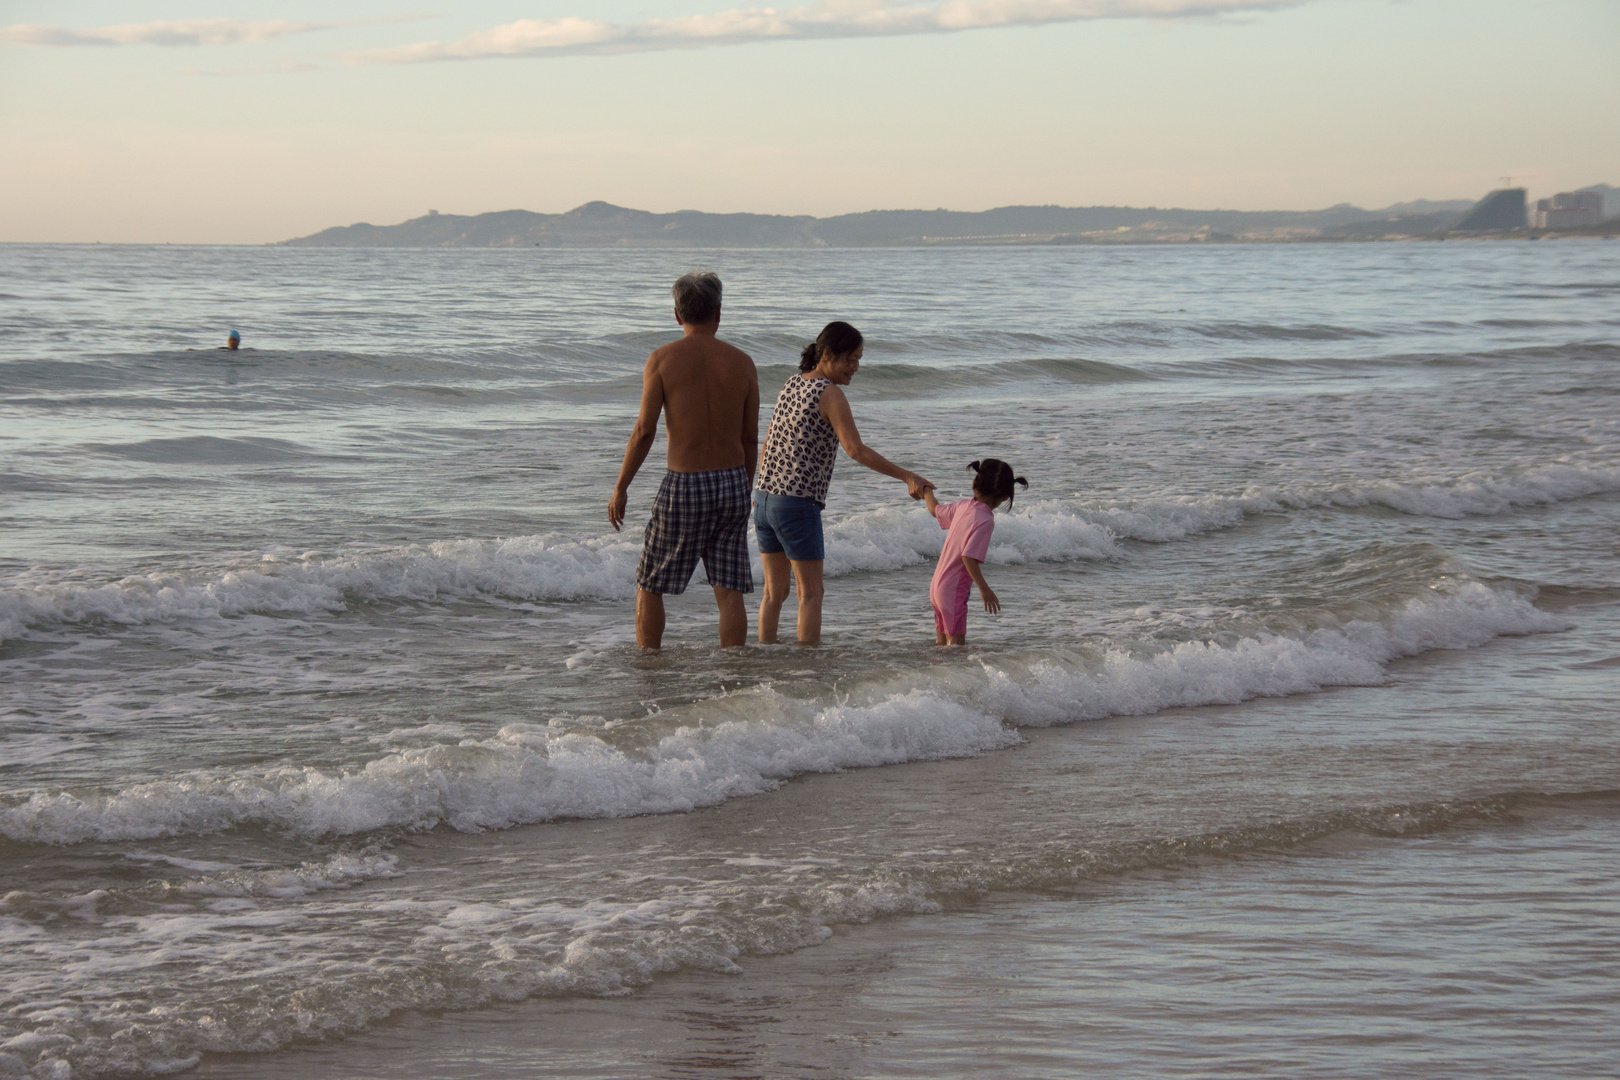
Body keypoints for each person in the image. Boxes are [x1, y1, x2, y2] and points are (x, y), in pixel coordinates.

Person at [753, 321, 933, 645]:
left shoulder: (792, 383)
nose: (856, 367)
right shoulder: (829, 393)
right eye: (851, 359)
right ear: (828, 354)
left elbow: (768, 441)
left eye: (860, 359)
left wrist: (759, 489)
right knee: (811, 594)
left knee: (774, 592)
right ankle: (808, 671)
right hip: (796, 504)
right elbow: (855, 450)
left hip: (765, 500)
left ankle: (766, 662)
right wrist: (908, 476)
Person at [609, 272, 759, 649]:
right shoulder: (743, 363)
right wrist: (744, 485)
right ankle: (734, 671)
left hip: (685, 484)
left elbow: (645, 431)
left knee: (649, 583)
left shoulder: (662, 360)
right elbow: (748, 437)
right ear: (718, 313)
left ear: (677, 315)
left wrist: (621, 487)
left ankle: (650, 667)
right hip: (732, 482)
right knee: (729, 590)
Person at [923, 459, 1027, 645]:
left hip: (936, 588)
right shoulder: (986, 520)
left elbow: (934, 510)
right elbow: (968, 557)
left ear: (974, 484)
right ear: (1005, 496)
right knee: (956, 651)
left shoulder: (964, 506)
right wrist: (984, 588)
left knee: (941, 648)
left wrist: (925, 489)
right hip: (953, 591)